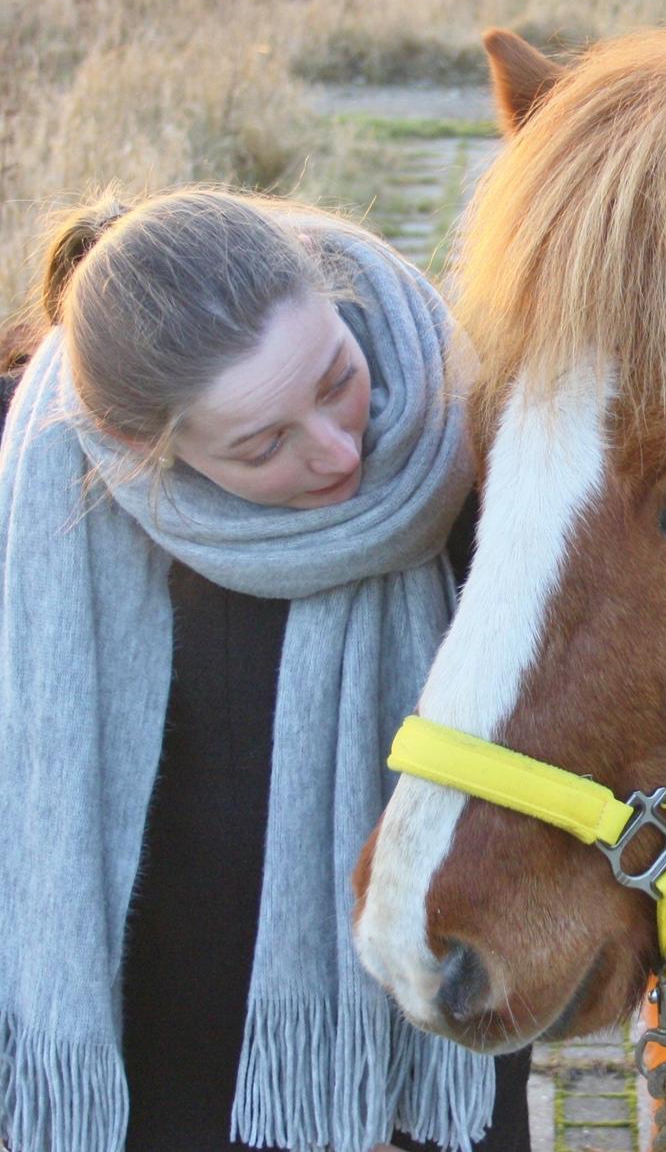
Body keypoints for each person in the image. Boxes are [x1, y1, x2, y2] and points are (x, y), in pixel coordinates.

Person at [0, 189, 531, 1152]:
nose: (337, 450)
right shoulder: (38, 488)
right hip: (167, 1052)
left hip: (436, 1010)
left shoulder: (477, 427)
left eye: (337, 380)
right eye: (263, 444)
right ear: (144, 449)